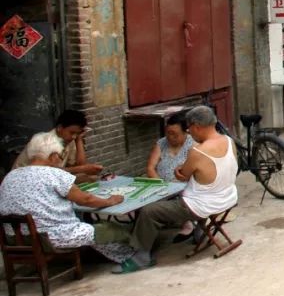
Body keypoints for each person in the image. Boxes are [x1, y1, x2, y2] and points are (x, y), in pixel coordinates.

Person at [115, 105, 238, 273]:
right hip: (228, 197)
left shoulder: (198, 151)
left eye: (189, 129)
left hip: (201, 204)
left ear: (196, 126)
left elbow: (182, 175)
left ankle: (141, 257)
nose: (190, 133)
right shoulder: (228, 141)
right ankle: (199, 231)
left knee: (149, 211)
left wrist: (180, 169)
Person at [0, 132, 133, 263]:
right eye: (60, 155)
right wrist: (110, 200)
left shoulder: (10, 176)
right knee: (111, 229)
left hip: (15, 239)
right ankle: (131, 257)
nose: (59, 159)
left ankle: (98, 253)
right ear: (53, 155)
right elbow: (86, 200)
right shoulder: (54, 174)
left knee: (87, 228)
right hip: (50, 239)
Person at [12, 109, 103, 180]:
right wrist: (81, 169)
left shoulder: (69, 140)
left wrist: (79, 140)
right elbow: (45, 173)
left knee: (90, 178)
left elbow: (80, 164)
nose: (74, 136)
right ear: (60, 128)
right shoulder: (44, 142)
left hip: (48, 178)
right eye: (72, 133)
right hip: (27, 180)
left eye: (77, 133)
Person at [145, 113, 195, 181]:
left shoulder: (193, 145)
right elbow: (150, 168)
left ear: (185, 132)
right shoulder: (161, 143)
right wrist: (162, 185)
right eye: (168, 133)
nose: (170, 137)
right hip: (162, 186)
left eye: (174, 134)